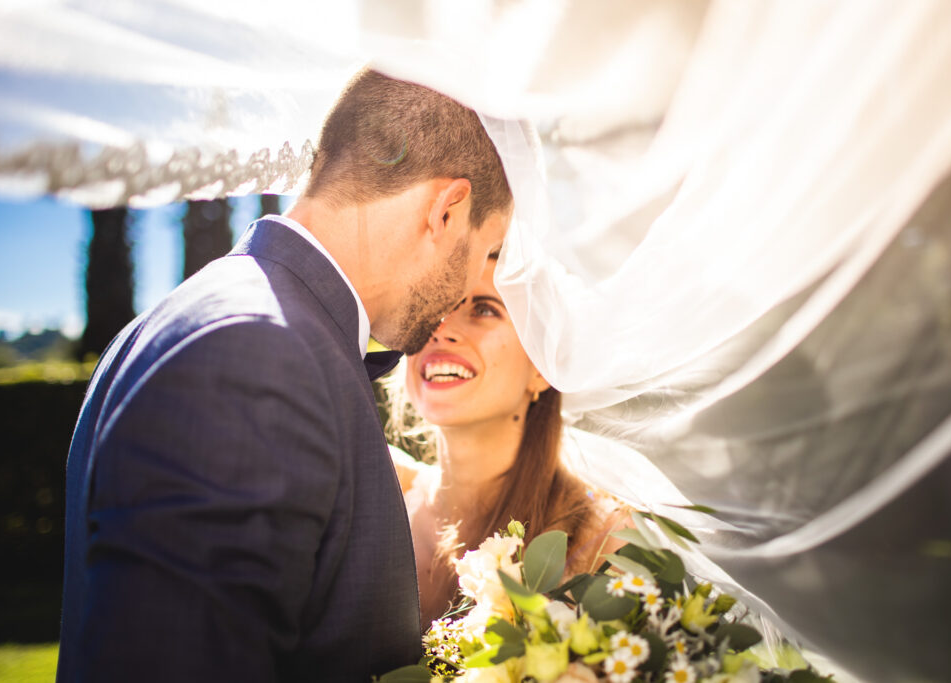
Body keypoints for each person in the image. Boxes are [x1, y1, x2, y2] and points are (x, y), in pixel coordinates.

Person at [57, 68, 511, 681]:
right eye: (485, 253)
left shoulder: (225, 317)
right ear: (448, 209)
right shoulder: (254, 354)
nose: (464, 290)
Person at [391, 255, 628, 629]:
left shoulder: (603, 544)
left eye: (484, 309)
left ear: (541, 366)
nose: (442, 328)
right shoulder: (373, 489)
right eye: (434, 305)